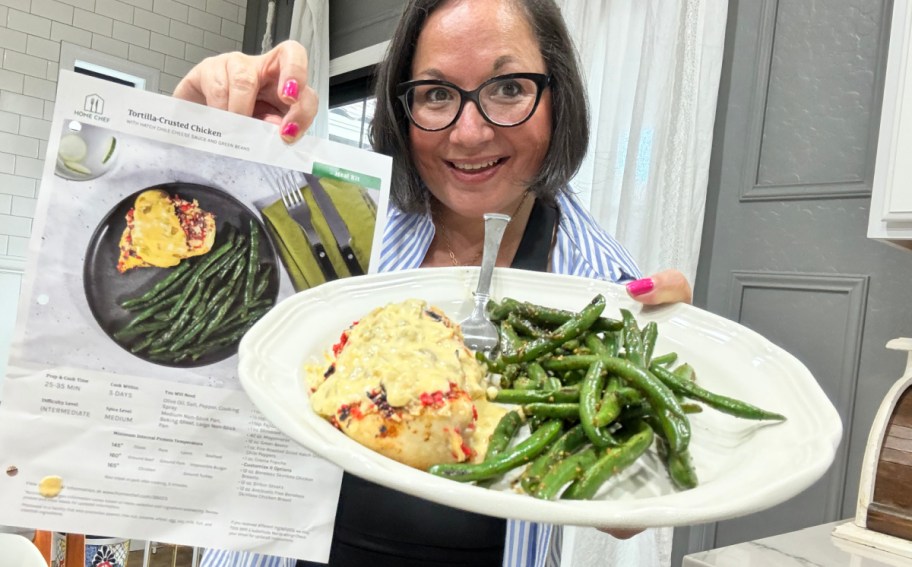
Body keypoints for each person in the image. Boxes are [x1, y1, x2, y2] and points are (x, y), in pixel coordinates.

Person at [178, 0, 692, 565]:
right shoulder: (348, 213)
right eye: (437, 94)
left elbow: (626, 515)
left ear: (557, 98)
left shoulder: (601, 286)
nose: (469, 133)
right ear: (404, 109)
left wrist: (651, 405)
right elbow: (204, 325)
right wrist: (192, 138)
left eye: (509, 88)